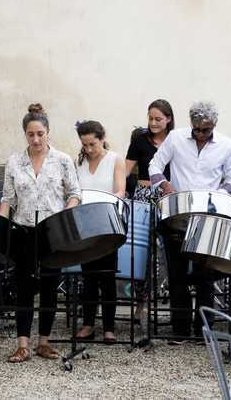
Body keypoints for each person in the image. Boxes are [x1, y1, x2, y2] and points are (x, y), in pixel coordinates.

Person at [148, 100, 231, 343]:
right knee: (177, 275)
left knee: (205, 275)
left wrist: (220, 195)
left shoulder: (226, 144)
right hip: (178, 215)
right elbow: (155, 165)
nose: (200, 134)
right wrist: (165, 185)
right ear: (191, 123)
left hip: (208, 217)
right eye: (196, 129)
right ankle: (180, 330)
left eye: (206, 130)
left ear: (215, 125)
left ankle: (204, 330)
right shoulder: (176, 138)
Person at [0, 104, 82, 363]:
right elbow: (7, 199)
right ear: (24, 134)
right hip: (24, 231)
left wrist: (63, 218)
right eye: (30, 134)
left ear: (48, 132)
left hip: (52, 231)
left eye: (40, 134)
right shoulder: (14, 162)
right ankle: (22, 345)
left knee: (49, 287)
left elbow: (75, 194)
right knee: (23, 287)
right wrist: (0, 225)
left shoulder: (62, 160)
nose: (35, 139)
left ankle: (43, 343)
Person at [74, 120, 126, 344]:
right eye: (85, 145)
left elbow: (119, 192)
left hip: (107, 225)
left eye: (93, 144)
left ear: (102, 138)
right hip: (86, 225)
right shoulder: (79, 161)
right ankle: (88, 326)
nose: (89, 149)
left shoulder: (116, 159)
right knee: (88, 278)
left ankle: (109, 329)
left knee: (106, 278)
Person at [124, 99, 174, 324]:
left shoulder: (176, 141)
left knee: (171, 252)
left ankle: (176, 306)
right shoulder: (139, 141)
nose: (153, 123)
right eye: (150, 118)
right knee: (141, 254)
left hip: (168, 198)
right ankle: (138, 306)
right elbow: (124, 171)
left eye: (158, 119)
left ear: (169, 119)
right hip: (143, 196)